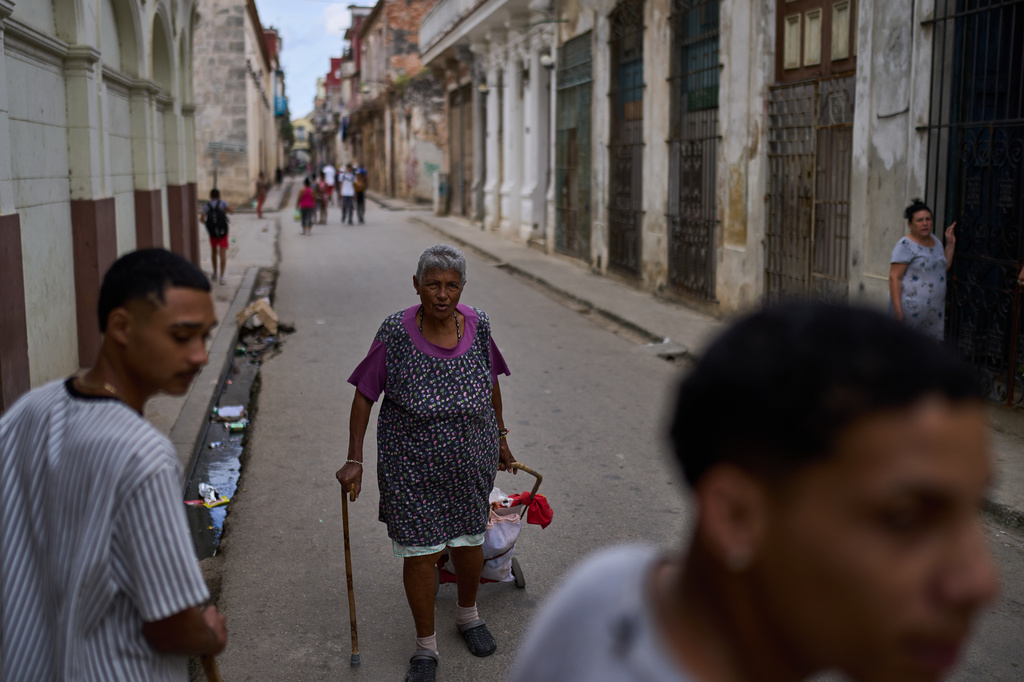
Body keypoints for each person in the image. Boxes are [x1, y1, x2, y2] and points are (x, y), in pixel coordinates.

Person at [512, 302, 997, 682]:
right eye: (905, 518)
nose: (980, 581)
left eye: (970, 511)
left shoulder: (613, 583)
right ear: (737, 518)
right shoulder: (602, 593)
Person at [1, 248, 227, 680]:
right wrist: (207, 635)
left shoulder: (31, 409)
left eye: (204, 336)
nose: (201, 356)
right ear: (121, 326)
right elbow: (170, 626)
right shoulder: (144, 455)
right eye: (182, 337)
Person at [336, 244, 517, 682]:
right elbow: (364, 395)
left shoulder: (477, 323)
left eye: (451, 285)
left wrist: (501, 438)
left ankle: (468, 616)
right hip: (410, 465)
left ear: (462, 288)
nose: (442, 294)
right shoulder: (395, 332)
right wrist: (354, 458)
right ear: (416, 285)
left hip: (470, 460)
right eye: (433, 284)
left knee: (469, 544)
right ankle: (425, 646)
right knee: (421, 554)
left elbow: (490, 382)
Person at [889, 198, 957, 340]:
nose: (925, 223)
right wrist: (897, 310)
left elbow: (942, 269)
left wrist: (950, 245)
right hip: (910, 312)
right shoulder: (905, 246)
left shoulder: (936, 241)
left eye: (928, 219)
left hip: (934, 313)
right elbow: (895, 277)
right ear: (910, 224)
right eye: (920, 220)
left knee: (931, 354)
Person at [200, 188, 233, 285]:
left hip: (213, 233)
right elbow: (232, 211)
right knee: (222, 253)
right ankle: (222, 277)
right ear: (219, 196)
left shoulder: (207, 206)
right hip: (223, 232)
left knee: (214, 251)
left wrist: (208, 224)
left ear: (210, 196)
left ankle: (215, 273)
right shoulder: (223, 204)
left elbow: (202, 218)